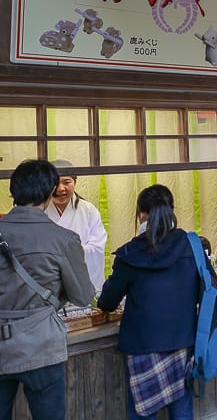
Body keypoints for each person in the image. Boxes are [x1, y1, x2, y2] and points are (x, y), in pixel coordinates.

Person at [97, 184, 215, 420]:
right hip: (183, 341)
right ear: (171, 210)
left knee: (143, 413)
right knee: (181, 413)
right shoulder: (191, 245)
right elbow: (209, 288)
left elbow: (107, 302)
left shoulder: (130, 253)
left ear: (141, 214)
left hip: (142, 346)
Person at [0, 159, 94, 420]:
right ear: (50, 191)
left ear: (13, 192)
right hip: (41, 346)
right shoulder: (63, 239)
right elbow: (83, 296)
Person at [45, 160, 108, 294]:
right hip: (50, 280)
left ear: (75, 182)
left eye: (66, 182)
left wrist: (69, 252)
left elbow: (97, 247)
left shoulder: (88, 210)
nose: (60, 188)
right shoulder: (40, 210)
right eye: (54, 183)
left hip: (81, 278)